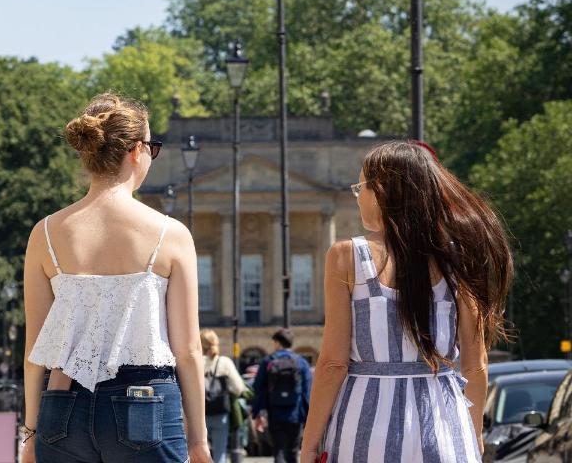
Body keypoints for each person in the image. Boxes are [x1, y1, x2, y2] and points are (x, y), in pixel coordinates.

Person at [21, 93, 211, 463]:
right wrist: (198, 438)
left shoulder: (44, 233)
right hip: (146, 401)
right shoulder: (168, 234)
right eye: (152, 148)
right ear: (136, 151)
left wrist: (30, 432)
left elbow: (35, 350)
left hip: (62, 404)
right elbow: (188, 350)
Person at [300, 141, 513, 463]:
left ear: (382, 190)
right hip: (443, 420)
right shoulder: (457, 256)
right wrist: (474, 433)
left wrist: (309, 444)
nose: (358, 199)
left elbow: (333, 363)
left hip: (365, 423)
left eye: (361, 188)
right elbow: (475, 363)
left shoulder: (347, 256)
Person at [251, 328, 313, 463]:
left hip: (274, 413)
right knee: (293, 451)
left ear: (278, 343)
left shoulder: (268, 361)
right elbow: (307, 390)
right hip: (295, 414)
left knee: (278, 450)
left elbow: (258, 387)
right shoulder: (301, 362)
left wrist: (258, 413)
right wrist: (308, 416)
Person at [201, 329, 246, 463]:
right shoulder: (224, 362)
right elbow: (238, 388)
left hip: (198, 415)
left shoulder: (195, 361)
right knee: (220, 454)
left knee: (196, 452)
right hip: (220, 413)